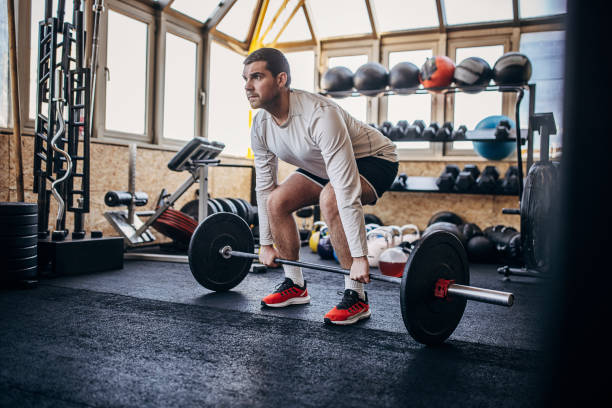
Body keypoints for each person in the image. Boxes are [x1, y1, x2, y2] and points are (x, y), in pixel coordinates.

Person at [244, 48, 398, 325]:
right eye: (245, 79)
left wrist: (361, 257)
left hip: (375, 159)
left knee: (332, 198)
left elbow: (344, 191)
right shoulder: (261, 124)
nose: (248, 86)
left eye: (256, 77)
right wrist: (266, 243)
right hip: (324, 164)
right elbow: (265, 186)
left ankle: (357, 297)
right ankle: (294, 285)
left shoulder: (319, 114)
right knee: (276, 202)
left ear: (281, 79)